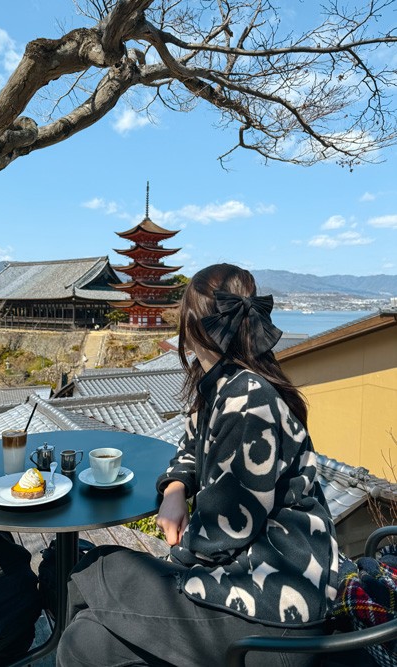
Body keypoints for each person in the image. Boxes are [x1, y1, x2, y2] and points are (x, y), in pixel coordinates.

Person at [57, 263, 339, 667]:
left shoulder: (248, 402)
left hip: (275, 600)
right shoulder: (226, 385)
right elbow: (190, 447)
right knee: (87, 636)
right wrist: (175, 489)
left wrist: (172, 564)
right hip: (259, 583)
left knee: (95, 571)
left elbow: (224, 530)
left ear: (192, 324)